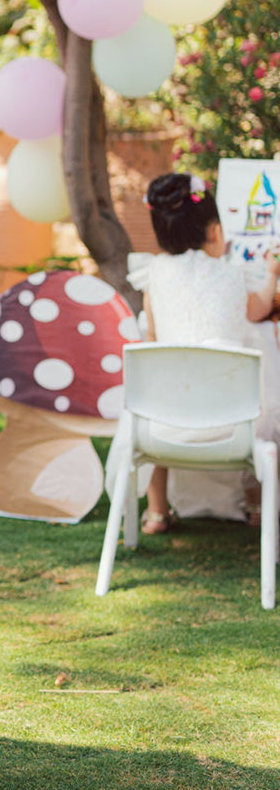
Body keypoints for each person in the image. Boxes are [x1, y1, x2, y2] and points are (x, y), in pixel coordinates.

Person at [133, 171, 280, 533]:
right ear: (215, 231)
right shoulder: (229, 275)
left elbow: (152, 337)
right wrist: (272, 274)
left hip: (164, 425)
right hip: (233, 423)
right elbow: (259, 309)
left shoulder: (155, 276)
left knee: (153, 400)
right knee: (264, 408)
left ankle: (156, 512)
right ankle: (258, 504)